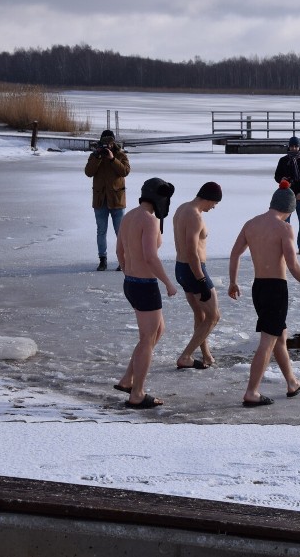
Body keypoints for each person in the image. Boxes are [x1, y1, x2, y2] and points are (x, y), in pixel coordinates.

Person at [228, 180, 300, 407]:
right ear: (288, 209)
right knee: (268, 341)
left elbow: (235, 254)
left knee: (280, 337)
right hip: (276, 289)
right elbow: (292, 263)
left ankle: (292, 382)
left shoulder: (251, 224)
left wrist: (233, 282)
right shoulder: (284, 228)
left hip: (259, 287)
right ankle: (251, 392)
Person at [114, 178, 178, 409]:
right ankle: (137, 394)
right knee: (147, 338)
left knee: (157, 331)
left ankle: (127, 379)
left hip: (131, 282)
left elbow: (119, 251)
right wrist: (168, 282)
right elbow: (150, 256)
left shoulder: (128, 216)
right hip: (144, 284)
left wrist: (128, 271)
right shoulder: (149, 220)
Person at [172, 181, 222, 370]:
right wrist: (201, 279)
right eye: (214, 203)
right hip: (193, 269)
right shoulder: (195, 216)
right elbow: (192, 251)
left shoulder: (181, 208)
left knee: (201, 314)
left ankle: (206, 355)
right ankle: (186, 356)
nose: (214, 207)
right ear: (208, 198)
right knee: (214, 316)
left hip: (181, 268)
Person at [85, 129, 131, 271]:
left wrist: (112, 159)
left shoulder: (120, 154)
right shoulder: (95, 155)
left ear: (113, 142)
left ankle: (122, 260)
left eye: (110, 143)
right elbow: (88, 172)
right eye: (105, 143)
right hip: (100, 200)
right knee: (101, 231)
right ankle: (102, 259)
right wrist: (98, 157)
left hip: (116, 199)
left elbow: (125, 171)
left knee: (120, 231)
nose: (107, 146)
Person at [274, 136, 300, 255]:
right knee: (286, 224)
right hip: (287, 197)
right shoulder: (283, 160)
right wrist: (282, 179)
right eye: (292, 146)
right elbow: (276, 176)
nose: (294, 148)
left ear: (299, 147)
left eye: (296, 146)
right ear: (289, 146)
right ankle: (287, 246)